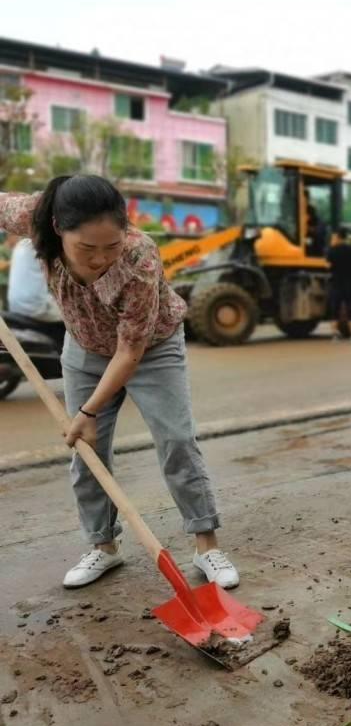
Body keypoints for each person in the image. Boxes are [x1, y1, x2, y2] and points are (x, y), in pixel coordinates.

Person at [0, 175, 239, 589]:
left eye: (110, 246)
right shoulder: (36, 216)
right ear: (58, 228)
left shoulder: (140, 257)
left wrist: (90, 410)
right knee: (86, 451)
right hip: (84, 348)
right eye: (86, 248)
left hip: (151, 348)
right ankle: (102, 547)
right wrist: (87, 418)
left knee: (177, 440)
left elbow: (130, 351)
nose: (100, 259)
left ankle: (206, 546)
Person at [7, 237, 64, 323]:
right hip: (36, 308)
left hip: (15, 305)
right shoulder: (46, 245)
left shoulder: (21, 244)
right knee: (73, 317)